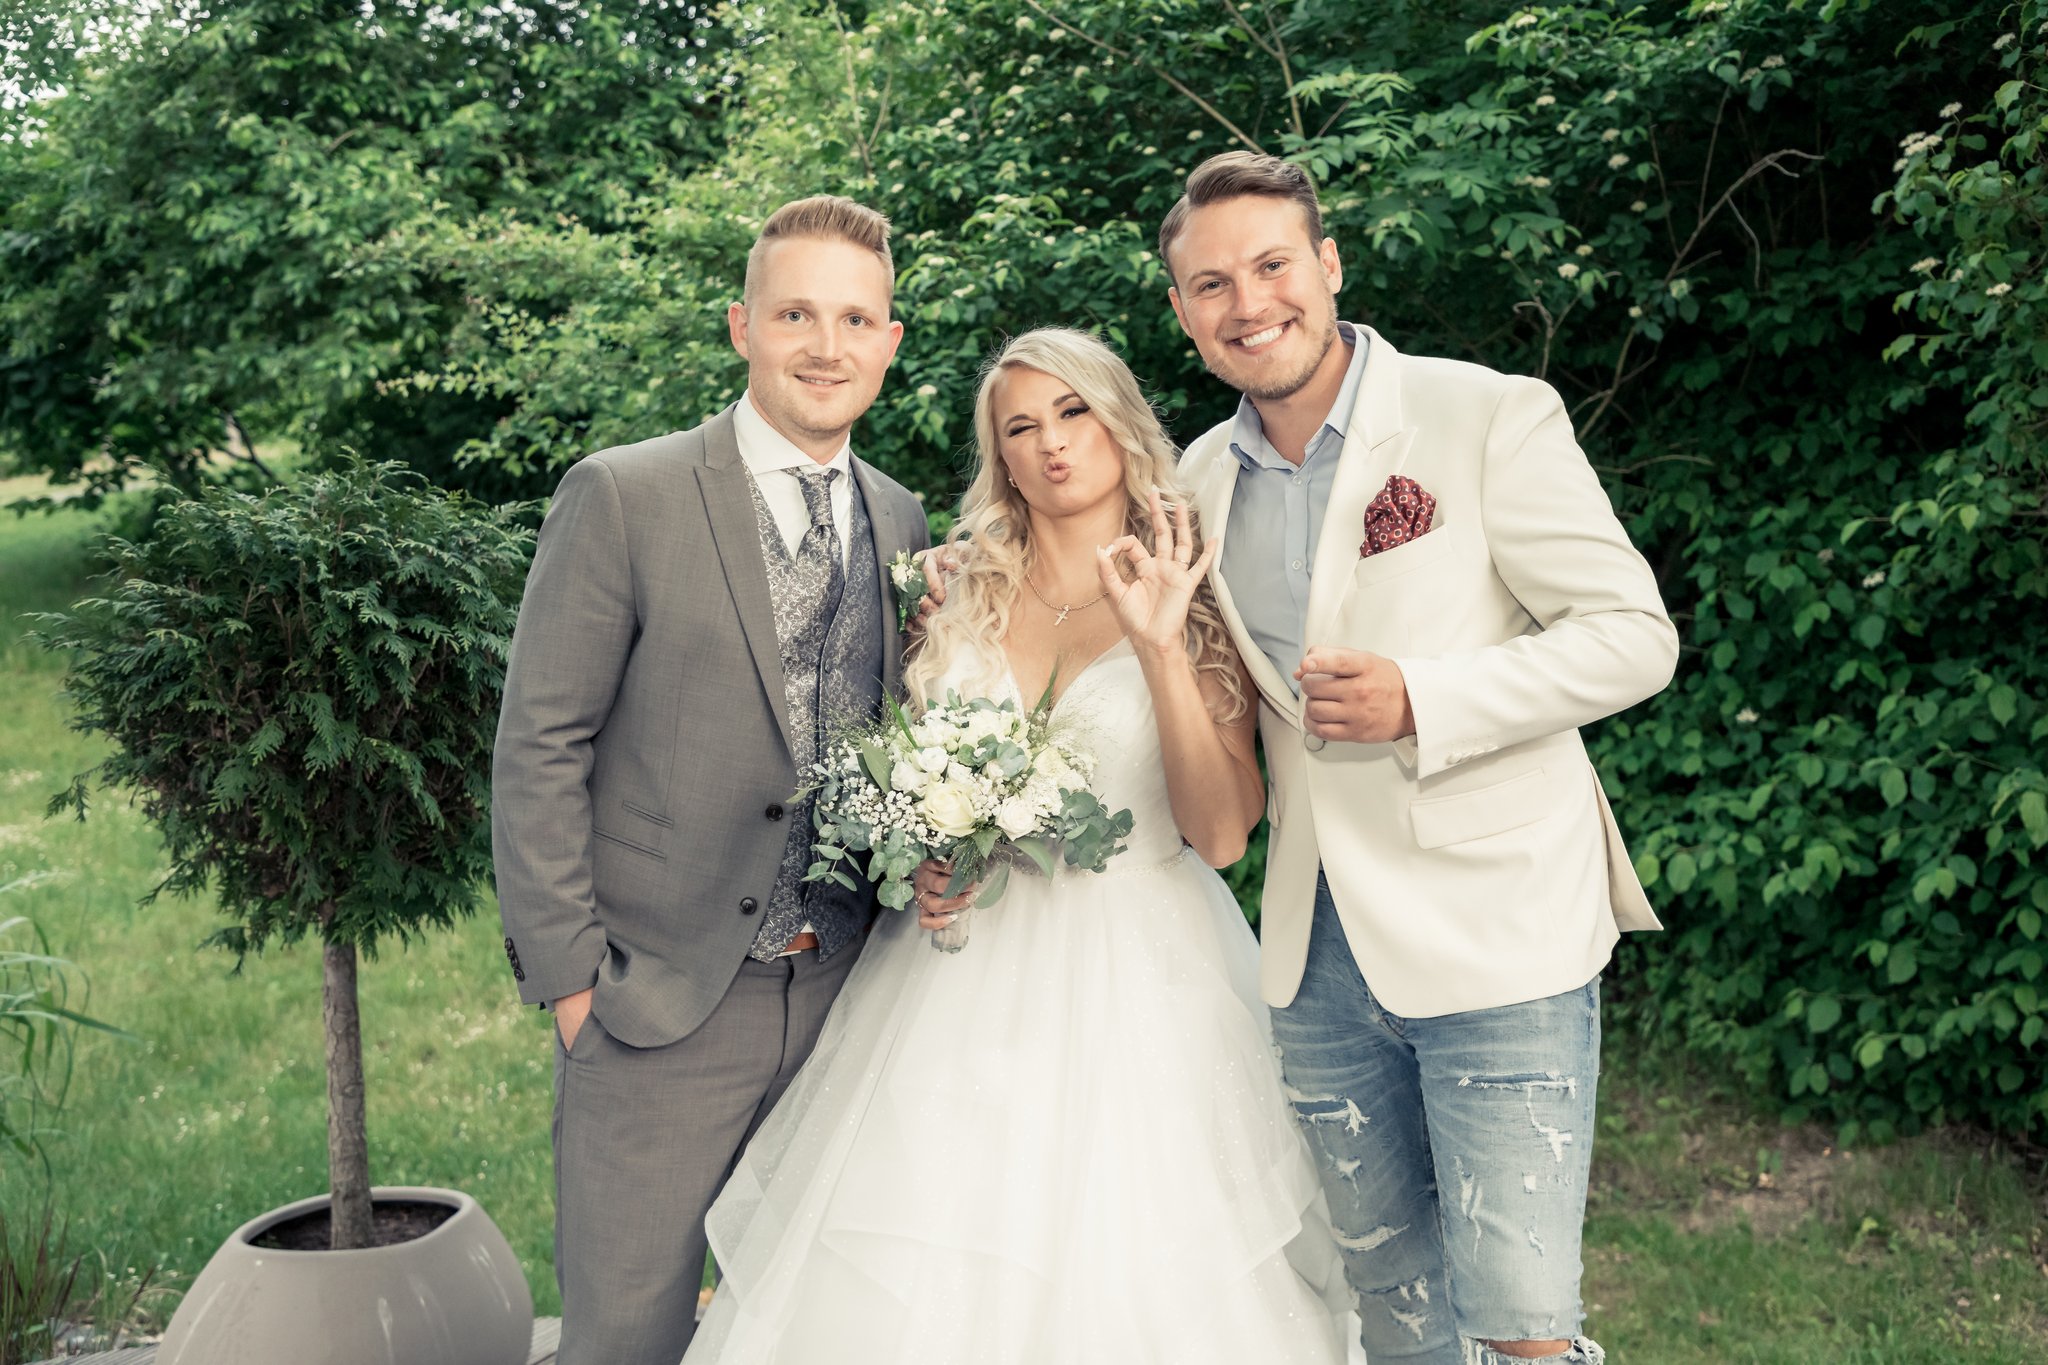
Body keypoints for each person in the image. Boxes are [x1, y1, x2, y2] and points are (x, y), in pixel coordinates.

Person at [682, 327, 1354, 1365]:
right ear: (999, 456)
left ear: (1119, 421)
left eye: (1073, 412)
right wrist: (926, 858)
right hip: (953, 983)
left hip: (1139, 976)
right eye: (1020, 427)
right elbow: (911, 775)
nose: (1051, 444)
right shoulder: (953, 591)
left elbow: (1222, 835)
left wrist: (1159, 645)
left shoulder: (1190, 586)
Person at [1162, 152, 1680, 1364]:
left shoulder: (1484, 414)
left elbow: (1632, 637)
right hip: (1313, 957)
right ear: (1181, 311)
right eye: (1211, 285)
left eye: (1272, 266)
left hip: (1499, 929)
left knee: (1519, 1323)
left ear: (1328, 264)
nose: (1248, 304)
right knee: (1390, 1309)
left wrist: (1423, 699)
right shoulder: (1191, 480)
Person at [490, 195, 930, 1365]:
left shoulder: (899, 517)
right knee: (625, 1334)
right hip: (657, 1000)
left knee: (806, 1330)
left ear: (889, 342)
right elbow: (539, 743)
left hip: (845, 995)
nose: (825, 346)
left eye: (854, 320)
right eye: (794, 314)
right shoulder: (623, 495)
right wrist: (573, 983)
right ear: (742, 326)